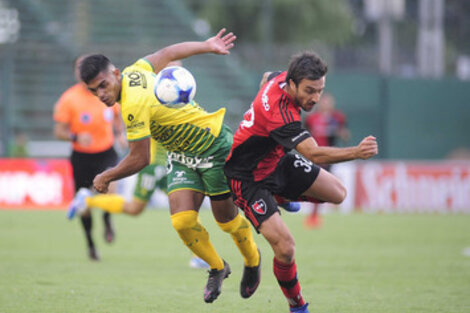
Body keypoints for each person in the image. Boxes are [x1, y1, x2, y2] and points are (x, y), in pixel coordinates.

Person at [77, 28, 261, 303]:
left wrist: (107, 176)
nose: (101, 94)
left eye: (103, 85)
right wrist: (206, 45)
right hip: (182, 155)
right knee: (182, 220)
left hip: (213, 146)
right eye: (94, 91)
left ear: (115, 74)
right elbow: (167, 53)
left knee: (226, 221)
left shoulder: (133, 104)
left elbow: (140, 158)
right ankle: (218, 268)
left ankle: (252, 260)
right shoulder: (136, 69)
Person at [224, 51, 378, 313]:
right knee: (285, 249)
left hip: (276, 162)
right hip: (247, 179)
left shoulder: (282, 78)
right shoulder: (280, 113)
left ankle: (280, 198)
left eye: (320, 90)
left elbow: (266, 77)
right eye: (309, 91)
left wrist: (258, 109)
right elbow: (314, 153)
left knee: (338, 193)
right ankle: (298, 306)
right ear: (293, 84)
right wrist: (356, 152)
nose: (315, 98)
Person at [53, 55, 126, 261]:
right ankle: (91, 244)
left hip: (106, 152)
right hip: (82, 157)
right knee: (83, 205)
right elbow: (58, 131)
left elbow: (118, 115)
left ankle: (107, 220)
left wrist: (120, 134)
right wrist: (75, 136)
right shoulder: (69, 99)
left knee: (111, 190)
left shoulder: (107, 91)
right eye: (78, 67)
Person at [303, 92, 350, 228]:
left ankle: (314, 215)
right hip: (314, 156)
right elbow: (304, 133)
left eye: (328, 102)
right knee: (317, 187)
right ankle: (313, 215)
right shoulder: (311, 118)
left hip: (329, 157)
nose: (326, 104)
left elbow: (346, 135)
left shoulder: (337, 118)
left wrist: (340, 133)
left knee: (323, 187)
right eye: (324, 101)